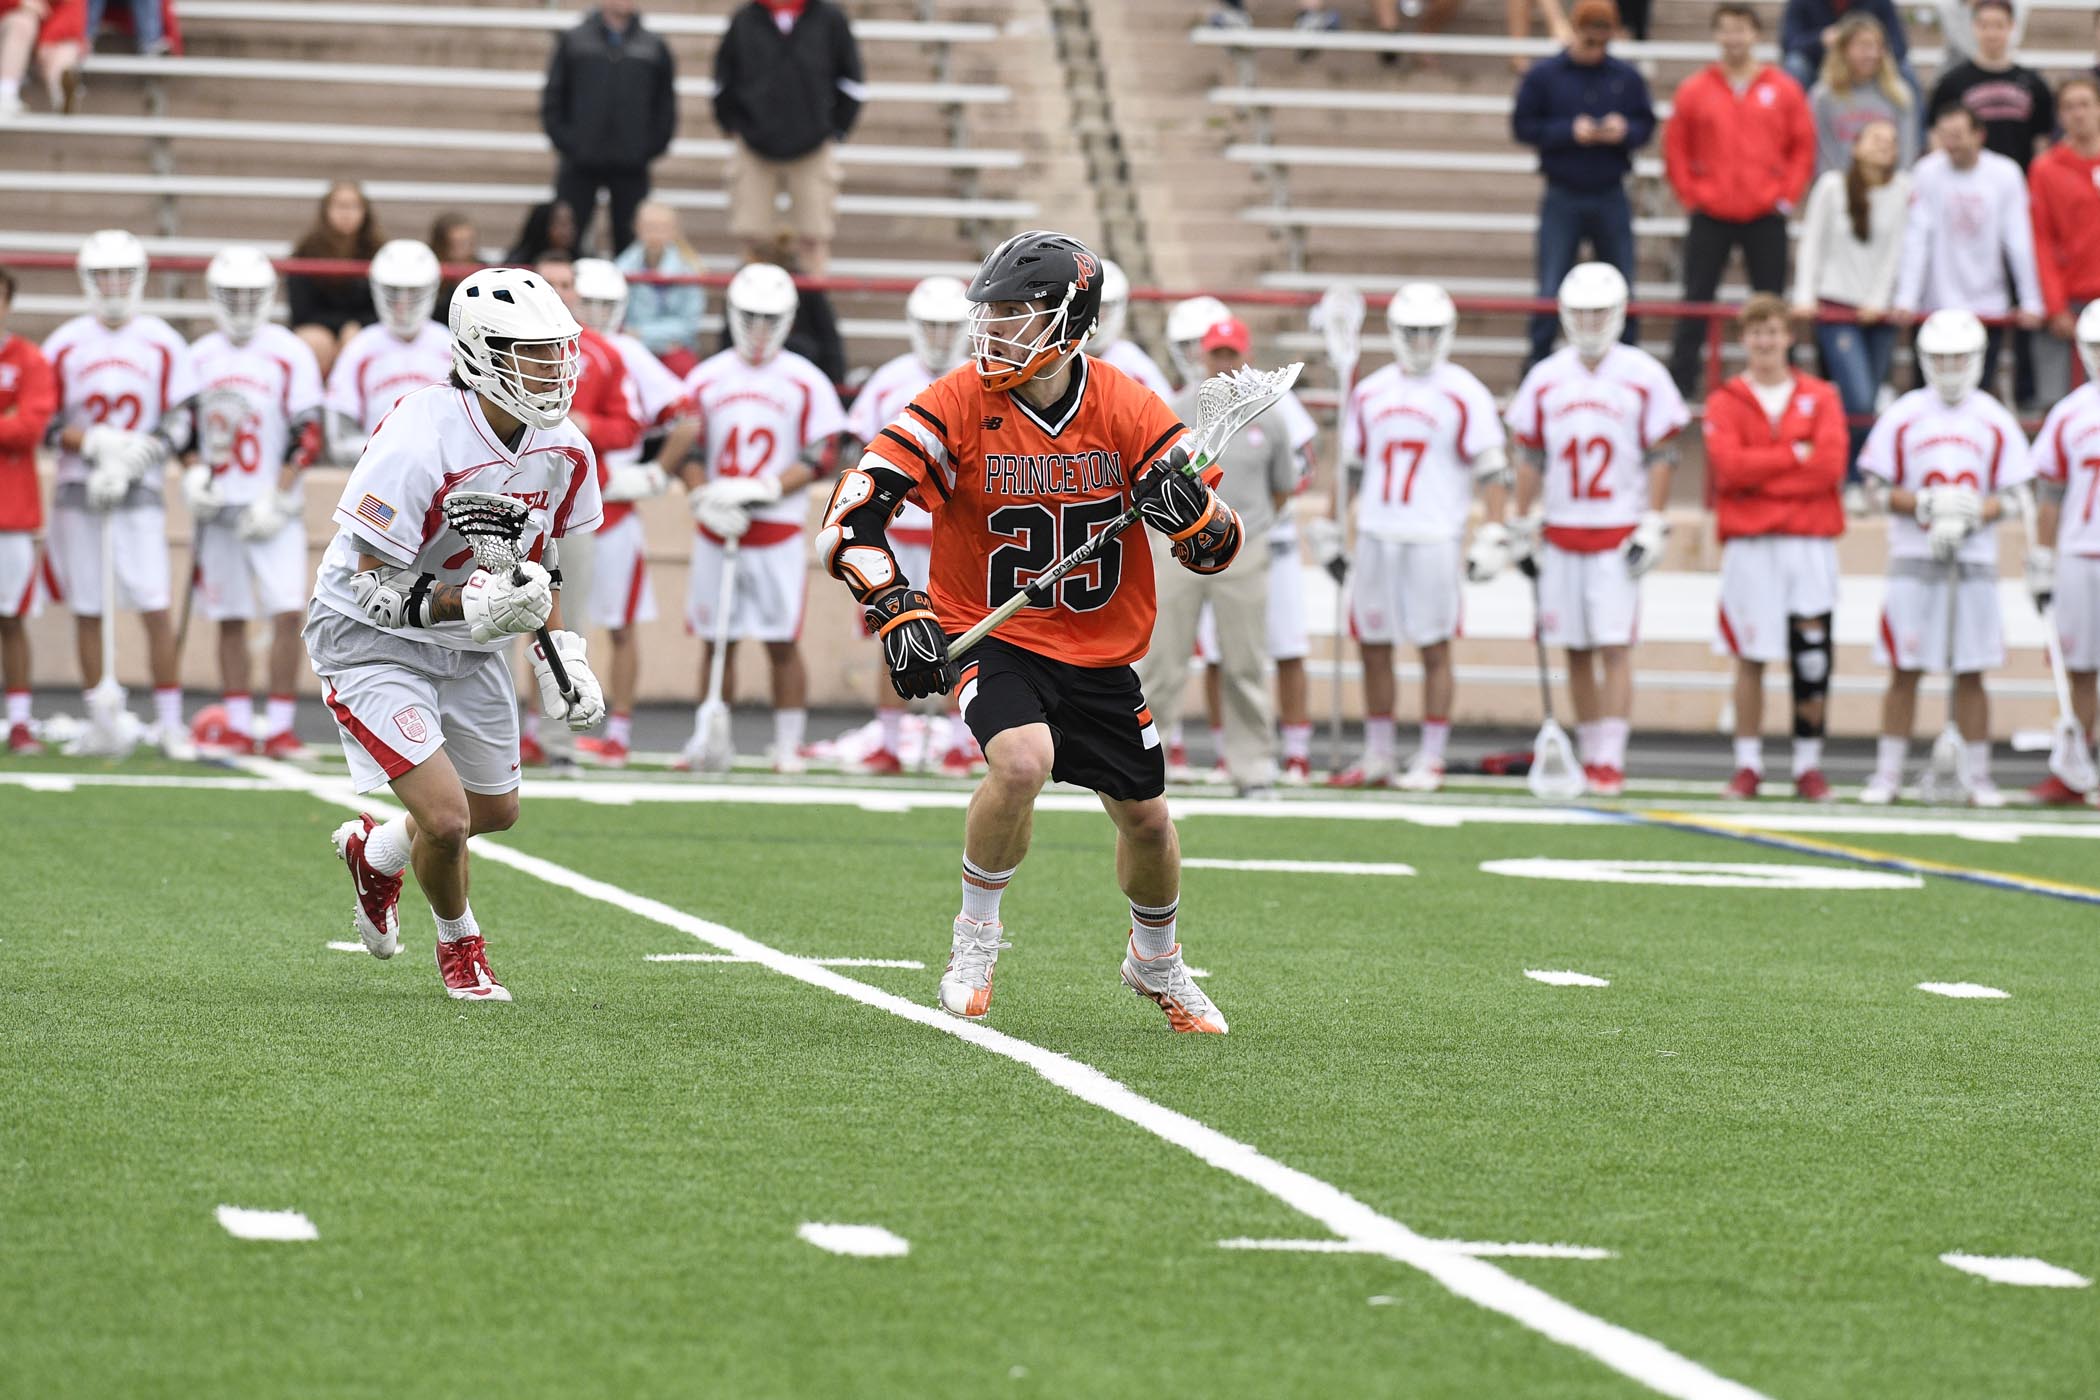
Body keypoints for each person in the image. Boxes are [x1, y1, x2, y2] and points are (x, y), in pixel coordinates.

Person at [816, 228, 1236, 1033]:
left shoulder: (1125, 404)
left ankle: (1155, 959)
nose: (995, 330)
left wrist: (1196, 518)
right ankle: (975, 939)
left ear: (1070, 321)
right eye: (992, 313)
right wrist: (895, 608)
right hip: (993, 631)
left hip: (1100, 646)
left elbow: (1218, 548)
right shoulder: (956, 402)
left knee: (1148, 819)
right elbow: (850, 519)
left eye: (1016, 313)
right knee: (1021, 761)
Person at [315, 266, 604, 1001]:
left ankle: (375, 851)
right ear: (479, 355)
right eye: (531, 352)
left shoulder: (564, 448)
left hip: (466, 641)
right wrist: (466, 604)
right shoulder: (422, 433)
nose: (554, 367)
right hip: (368, 636)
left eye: (557, 350)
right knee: (445, 821)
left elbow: (543, 566)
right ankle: (461, 947)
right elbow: (365, 578)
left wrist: (562, 655)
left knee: (494, 812)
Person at [1503, 262, 1688, 795]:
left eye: (1598, 312)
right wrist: (1520, 516)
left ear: (1619, 313)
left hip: (1616, 528)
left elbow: (1661, 451)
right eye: (1580, 312)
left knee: (1614, 647)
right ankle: (1589, 751)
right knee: (1576, 648)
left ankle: (1611, 757)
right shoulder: (1547, 375)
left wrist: (1653, 518)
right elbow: (1531, 452)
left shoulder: (1643, 373)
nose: (1588, 322)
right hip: (1562, 528)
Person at [1329, 283, 1507, 792]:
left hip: (1434, 534)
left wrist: (1491, 529)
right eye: (1413, 332)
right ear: (1396, 332)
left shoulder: (1464, 391)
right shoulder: (1370, 390)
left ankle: (1431, 757)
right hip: (1378, 532)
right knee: (1374, 645)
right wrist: (1335, 531)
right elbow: (1351, 472)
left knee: (1434, 646)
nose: (1423, 342)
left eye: (1432, 332)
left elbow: (1493, 469)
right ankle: (1380, 752)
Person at [1855, 308, 2031, 807]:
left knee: (1972, 670)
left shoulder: (1993, 418)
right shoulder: (1906, 413)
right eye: (1941, 359)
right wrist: (1924, 505)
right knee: (1904, 668)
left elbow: (2016, 493)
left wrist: (1976, 512)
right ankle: (1888, 774)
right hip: (1914, 556)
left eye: (1959, 358)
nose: (1951, 368)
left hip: (1973, 559)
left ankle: (1978, 778)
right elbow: (1874, 487)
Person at [676, 262, 845, 774]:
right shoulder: (707, 376)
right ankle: (708, 737)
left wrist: (770, 486)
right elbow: (687, 445)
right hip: (717, 528)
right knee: (717, 640)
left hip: (774, 531)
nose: (759, 329)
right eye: (750, 316)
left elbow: (823, 451)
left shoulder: (805, 380)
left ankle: (788, 743)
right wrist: (701, 495)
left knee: (780, 639)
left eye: (771, 318)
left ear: (790, 319)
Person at [43, 229, 199, 759]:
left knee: (154, 604)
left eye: (122, 275)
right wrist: (91, 444)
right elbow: (45, 420)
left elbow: (182, 419)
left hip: (140, 489)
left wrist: (140, 455)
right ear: (88, 280)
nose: (113, 286)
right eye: (103, 275)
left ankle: (171, 722)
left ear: (138, 279)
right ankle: (100, 719)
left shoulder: (161, 340)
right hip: (79, 488)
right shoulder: (65, 341)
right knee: (89, 606)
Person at [1138, 315, 1294, 798]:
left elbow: (1282, 489)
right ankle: (1143, 763)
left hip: (1244, 549)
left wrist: (1241, 528)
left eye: (1231, 355)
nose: (1222, 363)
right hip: (1177, 546)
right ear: (1202, 356)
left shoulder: (1270, 419)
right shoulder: (1178, 407)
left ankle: (1252, 766)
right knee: (1161, 660)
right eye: (1215, 354)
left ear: (1244, 357)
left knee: (1245, 661)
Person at [182, 247, 326, 759]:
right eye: (231, 295)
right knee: (230, 615)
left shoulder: (288, 351)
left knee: (289, 611)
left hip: (272, 506)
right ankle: (241, 723)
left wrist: (281, 490)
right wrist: (194, 472)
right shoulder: (199, 355)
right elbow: (185, 426)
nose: (241, 305)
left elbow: (306, 429)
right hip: (221, 505)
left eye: (250, 295)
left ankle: (282, 725)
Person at [1702, 296, 1847, 801]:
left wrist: (1763, 476)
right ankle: (1748, 763)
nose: (1766, 342)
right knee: (1750, 655)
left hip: (1808, 544)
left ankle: (1808, 764)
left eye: (1774, 331)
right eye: (1757, 332)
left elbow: (1828, 467)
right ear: (1746, 339)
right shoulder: (1726, 400)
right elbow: (1729, 470)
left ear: (1790, 337)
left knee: (1811, 656)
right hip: (1751, 545)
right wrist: (1792, 455)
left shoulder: (1820, 396)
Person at [842, 274, 972, 775]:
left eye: (948, 327)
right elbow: (860, 450)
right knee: (894, 630)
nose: (940, 338)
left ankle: (963, 740)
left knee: (963, 634)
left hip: (955, 531)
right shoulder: (891, 378)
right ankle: (890, 739)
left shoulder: (979, 380)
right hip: (897, 532)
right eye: (930, 327)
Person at [569, 257, 695, 769]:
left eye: (605, 303)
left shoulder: (624, 352)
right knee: (553, 624)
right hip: (560, 502)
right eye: (589, 302)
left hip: (612, 503)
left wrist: (655, 473)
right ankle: (543, 728)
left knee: (618, 624)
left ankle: (617, 730)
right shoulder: (557, 344)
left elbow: (684, 418)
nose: (597, 313)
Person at [515, 254, 638, 771]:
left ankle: (560, 738)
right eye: (552, 284)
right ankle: (496, 736)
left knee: (567, 623)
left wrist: (585, 422)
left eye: (568, 284)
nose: (561, 292)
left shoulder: (605, 355)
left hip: (570, 508)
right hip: (511, 505)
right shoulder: (508, 346)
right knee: (490, 620)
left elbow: (628, 426)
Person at [1663, 3, 1815, 398]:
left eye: (1741, 30)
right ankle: (1680, 388)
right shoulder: (1696, 89)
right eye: (1727, 30)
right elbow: (1675, 146)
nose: (1734, 38)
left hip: (1765, 212)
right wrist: (1691, 195)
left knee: (1772, 302)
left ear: (1756, 35)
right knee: (1695, 301)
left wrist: (1786, 198)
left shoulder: (1782, 88)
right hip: (1711, 212)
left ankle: (1786, 384)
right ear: (1716, 35)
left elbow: (1802, 146)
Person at [1511, 0, 1654, 370]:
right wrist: (1568, 131)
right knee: (1550, 287)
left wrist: (1624, 131)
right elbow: (1522, 125)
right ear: (1575, 32)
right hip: (1564, 192)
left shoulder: (1625, 76)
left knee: (1622, 288)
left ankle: (1626, 371)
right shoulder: (1545, 76)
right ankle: (1536, 371)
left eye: (1602, 42)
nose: (1596, 50)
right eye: (1590, 41)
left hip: (1610, 191)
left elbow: (1646, 125)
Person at [1894, 103, 2042, 396]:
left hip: (1987, 306)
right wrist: (1906, 297)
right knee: (1930, 395)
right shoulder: (1926, 171)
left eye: (1959, 135)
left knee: (1978, 395)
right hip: (1935, 307)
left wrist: (2031, 300)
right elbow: (1917, 237)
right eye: (1945, 136)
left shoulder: (2005, 173)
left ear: (1979, 135)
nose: (1952, 144)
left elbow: (2018, 239)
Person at [1793, 119, 1910, 483]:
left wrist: (1878, 301)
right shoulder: (1831, 186)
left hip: (1879, 312)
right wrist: (1804, 295)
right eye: (1876, 138)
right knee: (1857, 398)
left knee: (1868, 401)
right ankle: (1849, 476)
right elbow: (1812, 241)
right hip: (1835, 307)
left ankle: (1855, 472)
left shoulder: (1903, 190)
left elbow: (1896, 251)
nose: (1883, 146)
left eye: (1891, 141)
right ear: (1856, 146)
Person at [712, 0, 863, 276]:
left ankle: (814, 313)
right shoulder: (745, 19)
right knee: (753, 238)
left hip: (812, 148)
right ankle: (754, 309)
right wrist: (732, 125)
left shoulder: (830, 19)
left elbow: (851, 82)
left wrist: (836, 129)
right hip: (754, 147)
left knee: (813, 237)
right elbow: (723, 79)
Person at [2026, 302, 2100, 804]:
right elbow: (2050, 490)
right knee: (2077, 665)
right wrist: (2043, 557)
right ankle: (2075, 767)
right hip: (2079, 551)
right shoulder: (2071, 411)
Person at [540, 0, 675, 259]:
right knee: (567, 237)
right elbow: (554, 97)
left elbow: (665, 104)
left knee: (631, 242)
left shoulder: (654, 45)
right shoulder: (574, 41)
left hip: (631, 163)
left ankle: (631, 297)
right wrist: (569, 142)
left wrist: (647, 148)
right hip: (579, 161)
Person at [323, 239, 452, 467]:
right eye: (394, 292)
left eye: (413, 292)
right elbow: (339, 440)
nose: (403, 304)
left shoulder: (450, 346)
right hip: (380, 474)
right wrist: (394, 453)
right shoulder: (360, 348)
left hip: (446, 476)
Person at [0, 265, 55, 751]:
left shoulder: (30, 360)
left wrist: (14, 422)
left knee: (11, 617)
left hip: (11, 511)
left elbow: (30, 428)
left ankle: (19, 719)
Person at [2028, 76, 2100, 409]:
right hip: (2067, 306)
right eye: (2069, 107)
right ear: (2059, 115)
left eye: (2085, 104)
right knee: (2058, 405)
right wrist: (2055, 306)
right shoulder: (2046, 169)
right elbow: (2041, 238)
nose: (2078, 114)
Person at [1926, 0, 2051, 173]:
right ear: (1973, 27)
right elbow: (1936, 136)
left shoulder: (2033, 84)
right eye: (1984, 25)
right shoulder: (1951, 83)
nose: (1991, 34)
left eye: (1999, 26)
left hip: (2019, 182)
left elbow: (2041, 141)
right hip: (1965, 184)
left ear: (2011, 27)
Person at [287, 181, 382, 379]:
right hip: (321, 330)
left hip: (364, 328)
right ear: (326, 211)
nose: (346, 214)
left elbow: (385, 307)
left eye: (354, 206)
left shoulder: (379, 252)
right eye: (340, 206)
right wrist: (342, 327)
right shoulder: (307, 250)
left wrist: (356, 326)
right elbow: (302, 312)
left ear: (365, 212)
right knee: (314, 341)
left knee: (358, 341)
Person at [1808, 14, 1917, 178]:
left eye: (1878, 46)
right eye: (1864, 46)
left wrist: (1896, 187)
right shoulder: (1822, 97)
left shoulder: (1899, 94)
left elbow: (1907, 151)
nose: (1872, 54)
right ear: (1844, 49)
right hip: (1840, 189)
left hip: (1889, 188)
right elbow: (1822, 153)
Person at [613, 200, 705, 376]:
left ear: (674, 231)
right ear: (637, 228)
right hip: (634, 346)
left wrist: (642, 334)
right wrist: (640, 338)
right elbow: (618, 319)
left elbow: (688, 325)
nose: (655, 234)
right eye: (649, 227)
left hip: (673, 348)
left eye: (661, 227)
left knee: (682, 365)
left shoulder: (689, 269)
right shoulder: (621, 268)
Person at [1780, 0, 1909, 93]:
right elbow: (1789, 43)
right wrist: (1820, 39)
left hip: (1871, 70)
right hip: (1820, 67)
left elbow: (1899, 45)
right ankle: (1797, 123)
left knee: (1904, 70)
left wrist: (1871, 51)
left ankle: (1917, 129)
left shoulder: (1880, 3)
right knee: (1795, 64)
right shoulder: (1801, 3)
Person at [1092, 260, 1173, 399]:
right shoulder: (1059, 355)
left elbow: (1165, 406)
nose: (1095, 315)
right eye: (1088, 306)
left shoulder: (1130, 360)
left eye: (1103, 307)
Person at [0, 0, 85, 117]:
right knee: (22, 22)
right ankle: (6, 94)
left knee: (65, 47)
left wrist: (47, 41)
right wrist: (19, 3)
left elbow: (70, 11)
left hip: (47, 29)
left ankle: (62, 94)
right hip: (11, 24)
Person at [426, 211, 478, 318]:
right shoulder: (430, 270)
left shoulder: (480, 269)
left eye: (468, 242)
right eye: (457, 244)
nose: (465, 249)